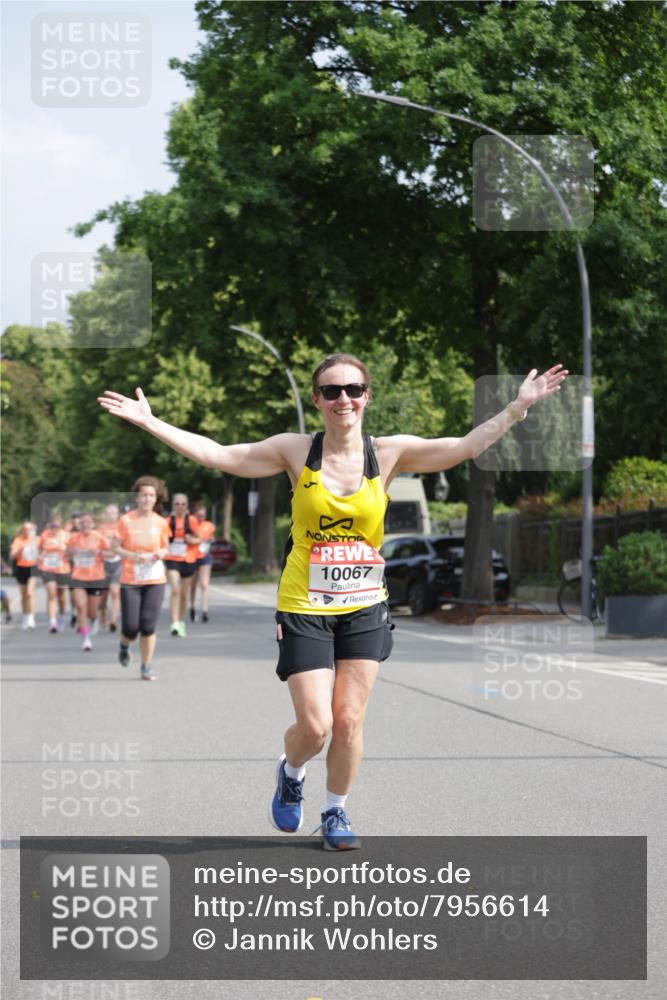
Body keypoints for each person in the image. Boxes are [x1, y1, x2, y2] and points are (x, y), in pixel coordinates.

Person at [98, 354, 567, 849]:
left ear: (367, 395)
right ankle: (291, 769)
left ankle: (336, 812)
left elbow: (466, 447)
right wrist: (152, 423)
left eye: (354, 389)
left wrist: (517, 408)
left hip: (364, 603)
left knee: (347, 722)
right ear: (318, 400)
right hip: (304, 605)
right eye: (332, 391)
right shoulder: (295, 451)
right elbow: (218, 454)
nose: (344, 398)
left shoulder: (388, 453)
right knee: (316, 725)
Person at [114, 476, 170, 681]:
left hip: (155, 578)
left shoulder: (161, 522)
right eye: (143, 495)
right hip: (130, 578)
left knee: (148, 625)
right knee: (130, 627)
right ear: (137, 498)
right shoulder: (125, 521)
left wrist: (162, 553)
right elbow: (114, 547)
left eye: (151, 495)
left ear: (156, 499)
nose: (147, 498)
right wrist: (133, 556)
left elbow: (165, 546)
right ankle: (124, 645)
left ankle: (146, 666)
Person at [66, 513, 109, 651]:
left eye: (88, 522)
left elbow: (111, 553)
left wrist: (99, 552)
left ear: (93, 524)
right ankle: (86, 638)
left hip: (96, 577)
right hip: (78, 577)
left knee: (91, 611)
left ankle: (94, 619)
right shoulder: (73, 538)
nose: (85, 525)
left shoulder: (99, 537)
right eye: (83, 523)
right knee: (80, 606)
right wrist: (72, 552)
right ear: (79, 525)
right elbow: (65, 554)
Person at [164, 493, 200, 637]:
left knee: (184, 594)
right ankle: (173, 623)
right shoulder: (168, 521)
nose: (180, 506)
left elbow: (199, 539)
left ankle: (180, 622)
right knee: (175, 590)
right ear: (173, 505)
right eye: (177, 503)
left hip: (188, 559)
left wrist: (191, 539)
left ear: (187, 506)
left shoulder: (191, 520)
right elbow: (162, 539)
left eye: (183, 504)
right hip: (172, 558)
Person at [37, 514, 71, 632]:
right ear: (49, 525)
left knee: (61, 596)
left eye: (57, 526)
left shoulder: (66, 535)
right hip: (47, 568)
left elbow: (71, 551)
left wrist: (65, 551)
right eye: (52, 526)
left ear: (60, 525)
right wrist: (40, 557)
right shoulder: (44, 535)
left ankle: (61, 616)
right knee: (52, 593)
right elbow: (40, 550)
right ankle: (52, 622)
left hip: (63, 569)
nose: (54, 528)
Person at [189, 502, 216, 623]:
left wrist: (210, 539)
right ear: (194, 514)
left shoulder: (209, 525)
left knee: (204, 584)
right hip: (192, 556)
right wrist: (196, 540)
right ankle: (192, 607)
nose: (201, 517)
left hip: (205, 556)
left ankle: (205, 610)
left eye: (203, 515)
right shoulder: (190, 524)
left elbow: (212, 537)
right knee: (193, 585)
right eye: (199, 515)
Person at [9, 522, 39, 629]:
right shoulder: (18, 540)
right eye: (25, 529)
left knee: (30, 593)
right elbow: (12, 556)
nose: (27, 531)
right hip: (21, 568)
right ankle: (25, 616)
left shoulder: (37, 540)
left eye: (30, 529)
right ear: (22, 530)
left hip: (33, 568)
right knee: (24, 595)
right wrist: (20, 549)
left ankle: (31, 617)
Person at [98, 504, 122, 632]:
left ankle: (113, 621)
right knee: (103, 595)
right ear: (105, 514)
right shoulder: (100, 529)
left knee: (115, 592)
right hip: (103, 563)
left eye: (114, 513)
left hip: (117, 563)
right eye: (109, 512)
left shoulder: (121, 527)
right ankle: (103, 614)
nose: (112, 515)